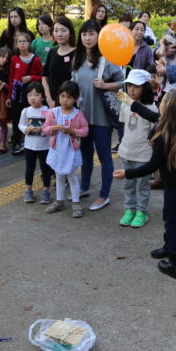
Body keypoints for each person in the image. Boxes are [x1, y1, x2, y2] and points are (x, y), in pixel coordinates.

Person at [115, 91, 176, 279]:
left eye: (163, 102)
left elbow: (150, 167)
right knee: (170, 217)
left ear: (168, 110)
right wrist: (129, 101)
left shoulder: (164, 137)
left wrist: (126, 173)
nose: (160, 102)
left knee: (172, 223)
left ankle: (175, 262)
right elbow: (147, 113)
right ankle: (169, 247)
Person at [71, 19, 124, 210]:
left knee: (104, 158)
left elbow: (123, 82)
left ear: (99, 36)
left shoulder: (106, 59)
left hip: (101, 119)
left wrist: (105, 85)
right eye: (84, 34)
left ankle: (104, 195)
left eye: (91, 34)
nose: (87, 38)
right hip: (82, 119)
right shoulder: (77, 60)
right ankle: (84, 187)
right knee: (85, 157)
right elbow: (73, 85)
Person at [116, 69, 158, 228]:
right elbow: (123, 128)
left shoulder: (152, 110)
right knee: (128, 184)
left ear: (145, 88)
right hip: (126, 153)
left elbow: (154, 135)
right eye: (129, 86)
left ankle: (141, 212)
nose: (131, 90)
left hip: (143, 156)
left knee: (142, 185)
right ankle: (129, 209)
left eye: (136, 86)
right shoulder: (125, 105)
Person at [44, 80, 89, 216]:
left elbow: (85, 130)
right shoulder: (53, 113)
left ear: (75, 99)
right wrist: (53, 128)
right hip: (57, 151)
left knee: (73, 177)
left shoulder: (78, 114)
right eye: (62, 96)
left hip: (70, 151)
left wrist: (73, 132)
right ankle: (59, 201)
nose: (65, 100)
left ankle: (76, 203)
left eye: (69, 97)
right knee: (59, 177)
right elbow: (45, 129)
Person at [7, 32, 43, 154]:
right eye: (19, 41)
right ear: (16, 45)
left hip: (31, 92)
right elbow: (11, 77)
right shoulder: (14, 59)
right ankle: (16, 141)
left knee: (31, 116)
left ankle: (31, 141)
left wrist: (31, 78)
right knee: (17, 117)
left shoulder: (36, 59)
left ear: (29, 43)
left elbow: (42, 77)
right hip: (17, 93)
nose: (22, 43)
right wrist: (9, 96)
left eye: (24, 41)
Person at [18, 81, 53, 204]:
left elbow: (51, 127)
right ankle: (28, 190)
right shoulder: (26, 111)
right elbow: (20, 124)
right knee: (29, 168)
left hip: (44, 146)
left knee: (45, 169)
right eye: (30, 95)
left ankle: (46, 191)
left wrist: (42, 130)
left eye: (36, 95)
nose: (33, 98)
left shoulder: (47, 110)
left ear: (43, 97)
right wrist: (25, 129)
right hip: (29, 146)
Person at [43, 15, 76, 109]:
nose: (59, 34)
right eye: (56, 30)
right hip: (52, 103)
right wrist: (49, 99)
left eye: (63, 30)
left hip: (71, 104)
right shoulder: (52, 51)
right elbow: (44, 77)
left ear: (70, 32)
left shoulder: (77, 53)